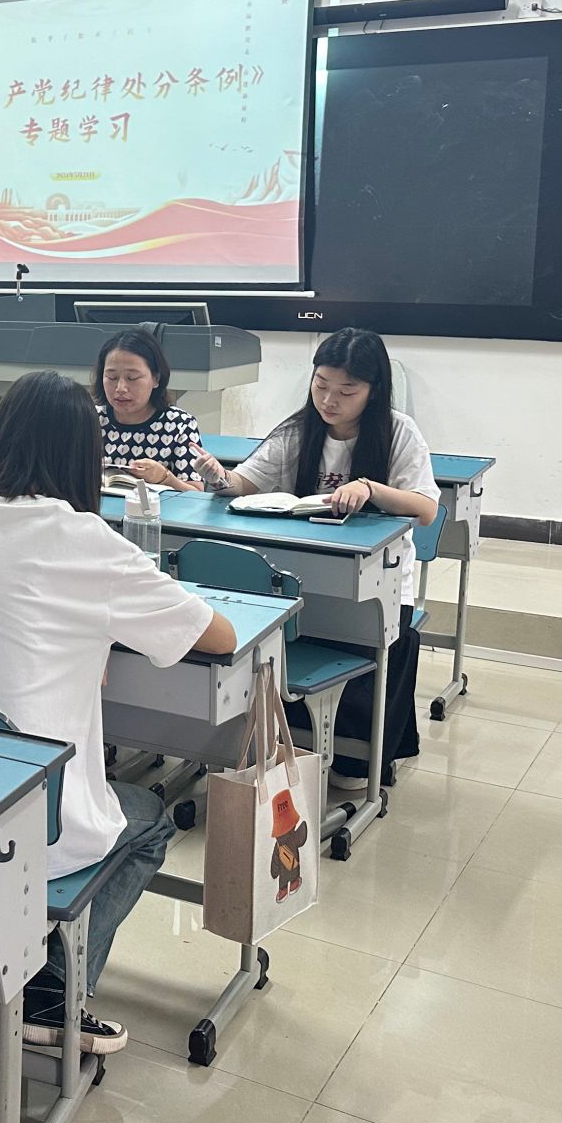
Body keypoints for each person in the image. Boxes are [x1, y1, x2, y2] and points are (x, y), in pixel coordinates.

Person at [0, 371, 236, 1055]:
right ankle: (51, 993)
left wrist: (88, 632)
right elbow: (218, 635)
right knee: (148, 820)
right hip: (29, 808)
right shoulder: (87, 540)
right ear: (84, 455)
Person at [195, 327, 439, 790]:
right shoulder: (297, 431)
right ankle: (290, 742)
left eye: (347, 391)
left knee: (367, 641)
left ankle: (357, 754)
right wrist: (218, 478)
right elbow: (244, 483)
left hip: (381, 585)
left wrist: (369, 488)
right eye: (321, 385)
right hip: (302, 577)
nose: (329, 400)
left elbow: (426, 509)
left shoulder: (399, 432)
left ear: (374, 391)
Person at [95, 328, 202, 489]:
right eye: (112, 377)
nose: (120, 388)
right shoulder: (90, 419)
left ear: (156, 379)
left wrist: (165, 478)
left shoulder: (180, 424)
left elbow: (196, 493)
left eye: (132, 378)